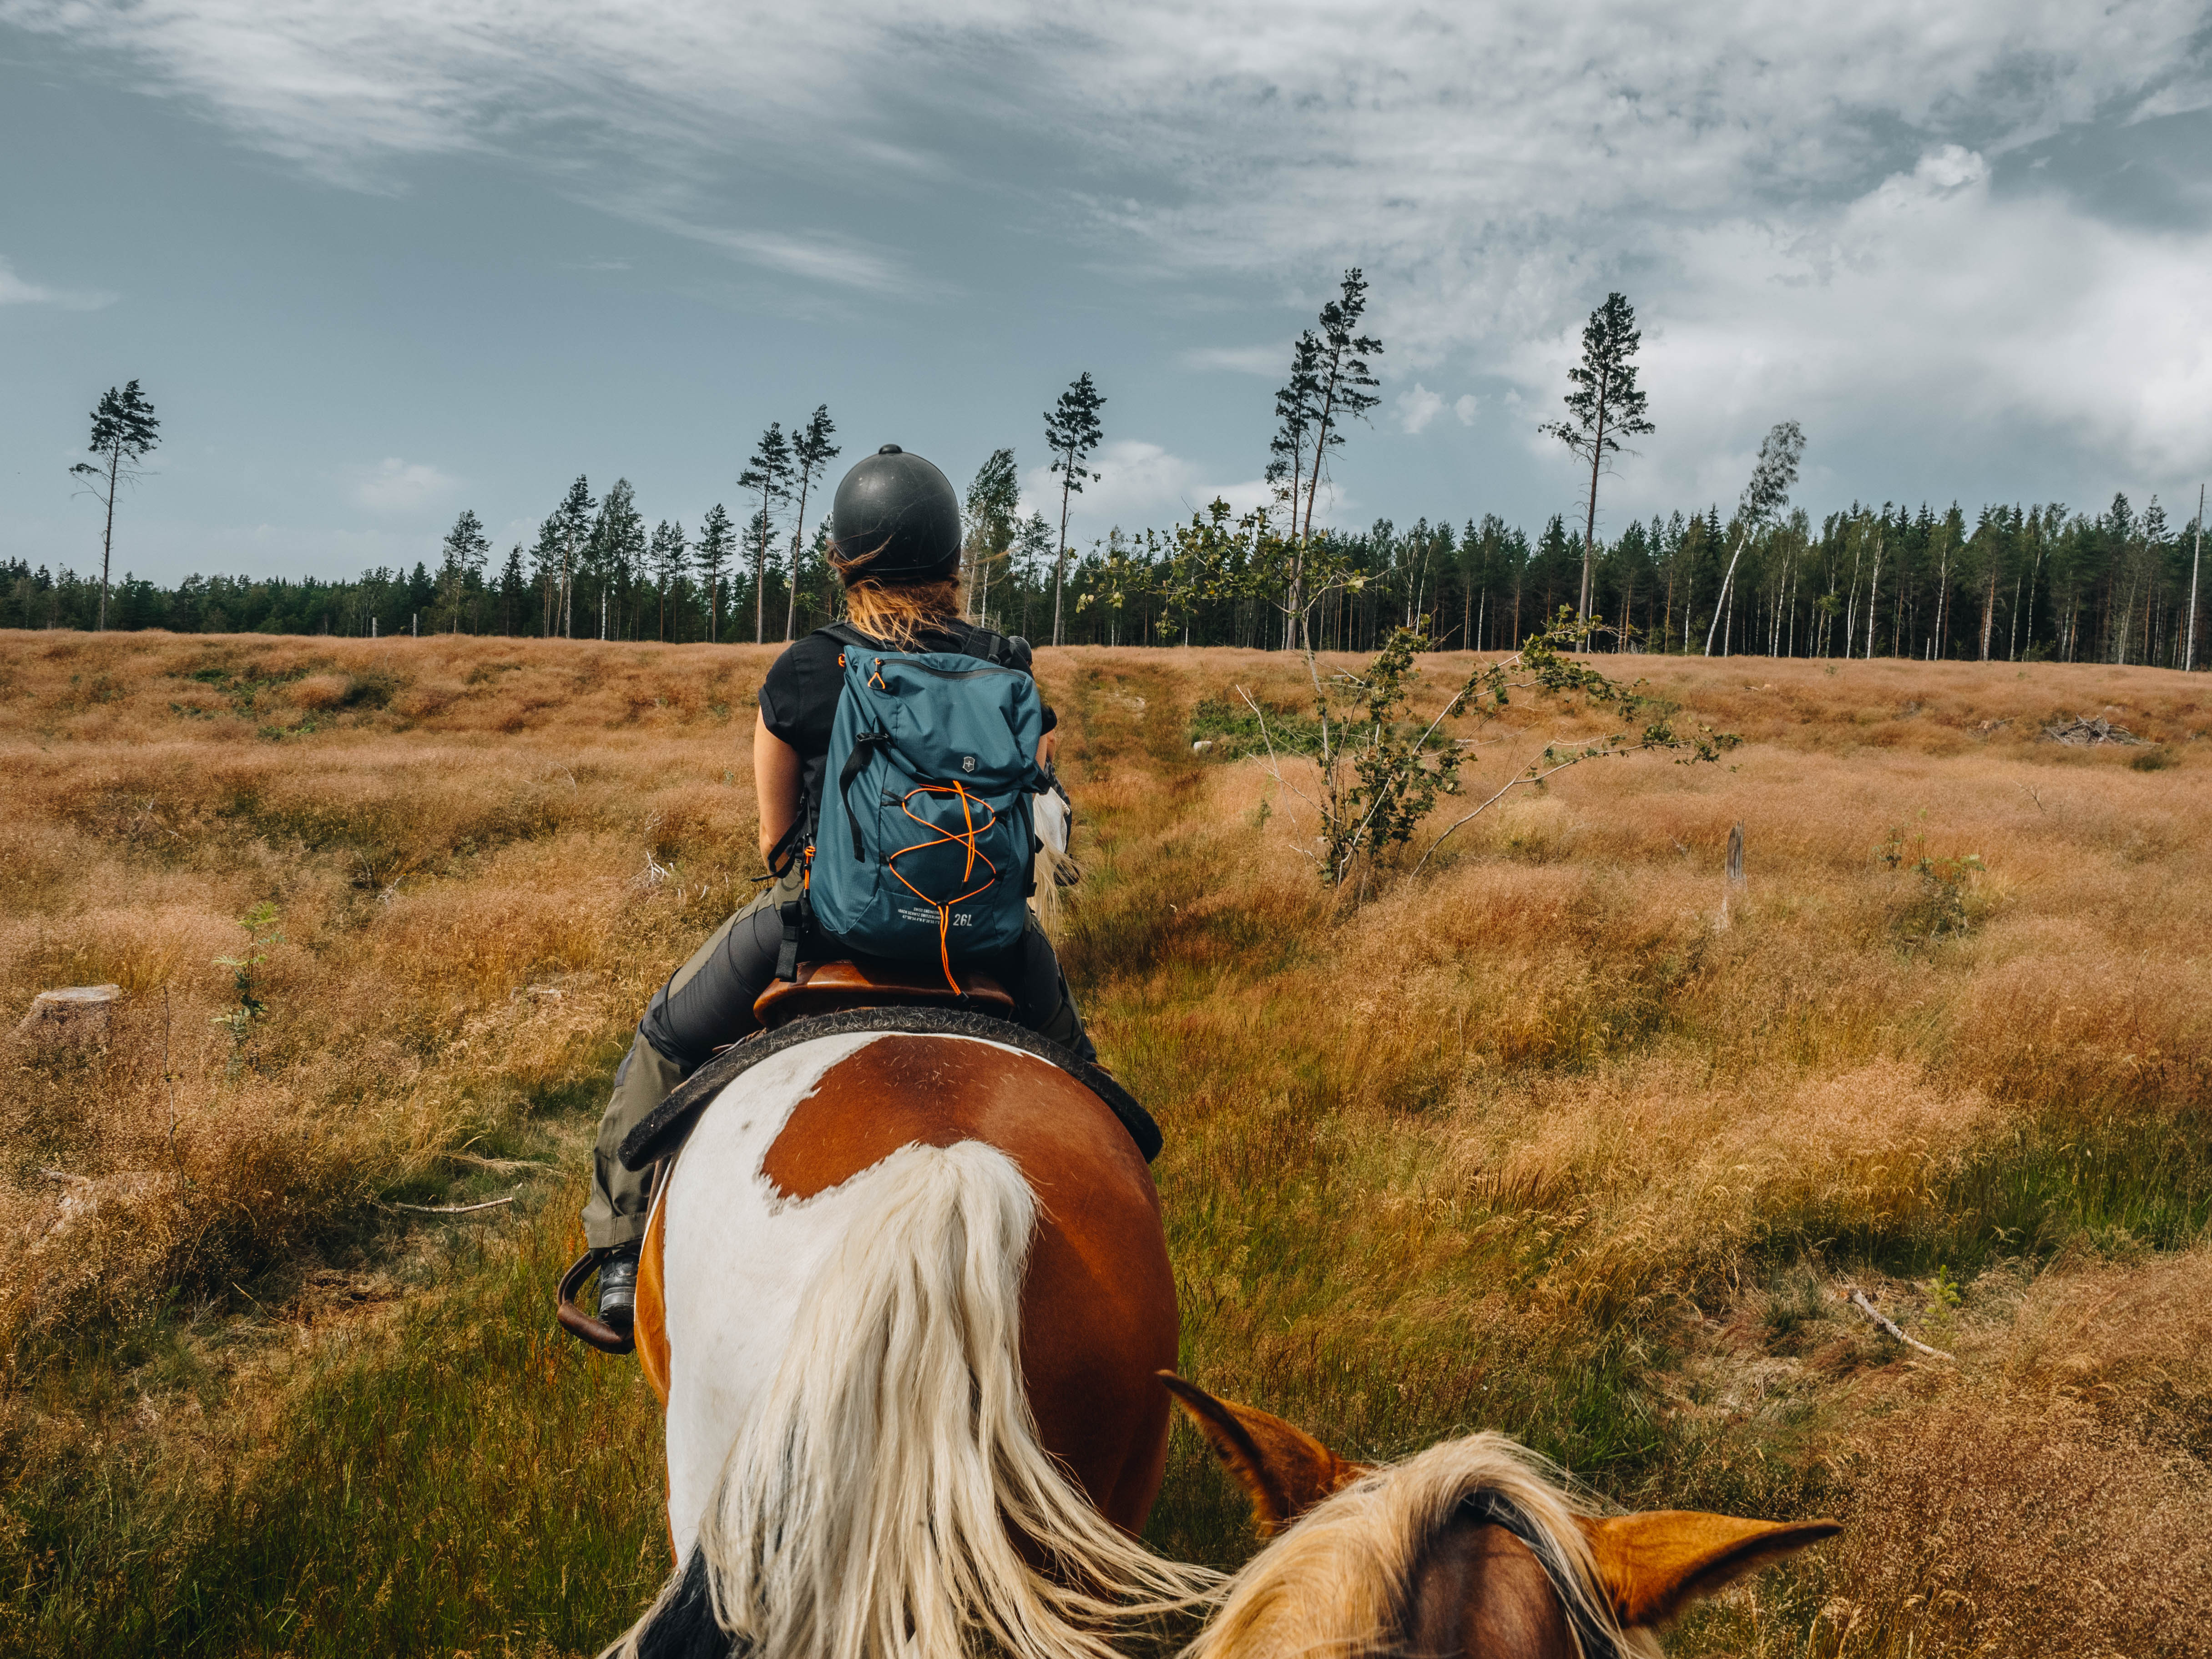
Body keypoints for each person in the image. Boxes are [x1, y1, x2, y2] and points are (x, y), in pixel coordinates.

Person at [582, 445, 1093, 1336]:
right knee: (1085, 1082)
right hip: (986, 939)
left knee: (665, 1037)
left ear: (844, 558)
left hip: (826, 928)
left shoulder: (806, 669)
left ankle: (620, 1253)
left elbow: (775, 841)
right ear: (953, 561)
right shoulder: (1010, 670)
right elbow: (1037, 806)